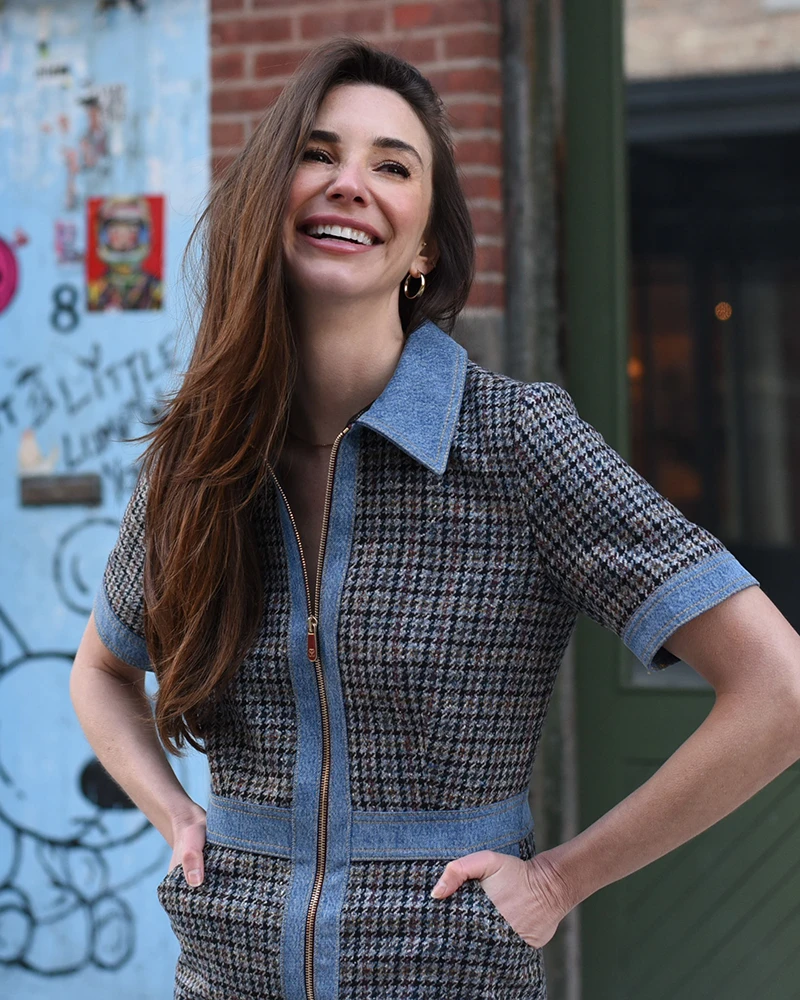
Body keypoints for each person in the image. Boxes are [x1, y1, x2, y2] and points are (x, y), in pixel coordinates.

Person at [69, 36, 800, 1000]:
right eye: (318, 154)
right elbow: (102, 671)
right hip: (225, 976)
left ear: (425, 249)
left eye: (391, 166)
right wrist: (176, 818)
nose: (349, 183)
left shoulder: (513, 440)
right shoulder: (203, 456)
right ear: (268, 199)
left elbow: (777, 690)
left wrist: (558, 879)